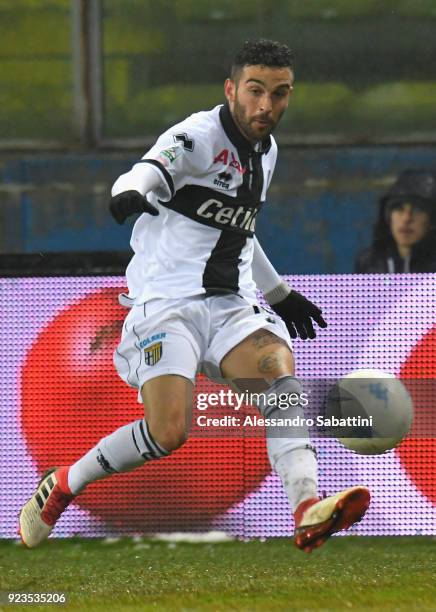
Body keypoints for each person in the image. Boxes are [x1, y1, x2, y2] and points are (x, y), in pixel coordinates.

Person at [19, 39, 370, 553]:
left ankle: (305, 507)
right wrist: (130, 190)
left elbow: (241, 229)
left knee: (278, 373)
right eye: (255, 91)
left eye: (280, 93)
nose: (266, 106)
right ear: (231, 90)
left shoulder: (267, 153)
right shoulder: (197, 136)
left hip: (230, 304)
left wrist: (280, 293)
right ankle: (66, 483)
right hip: (168, 303)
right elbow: (150, 168)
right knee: (168, 432)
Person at [355, 169, 436, 273]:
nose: (406, 219)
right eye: (399, 209)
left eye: (417, 210)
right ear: (388, 217)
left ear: (432, 220)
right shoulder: (369, 264)